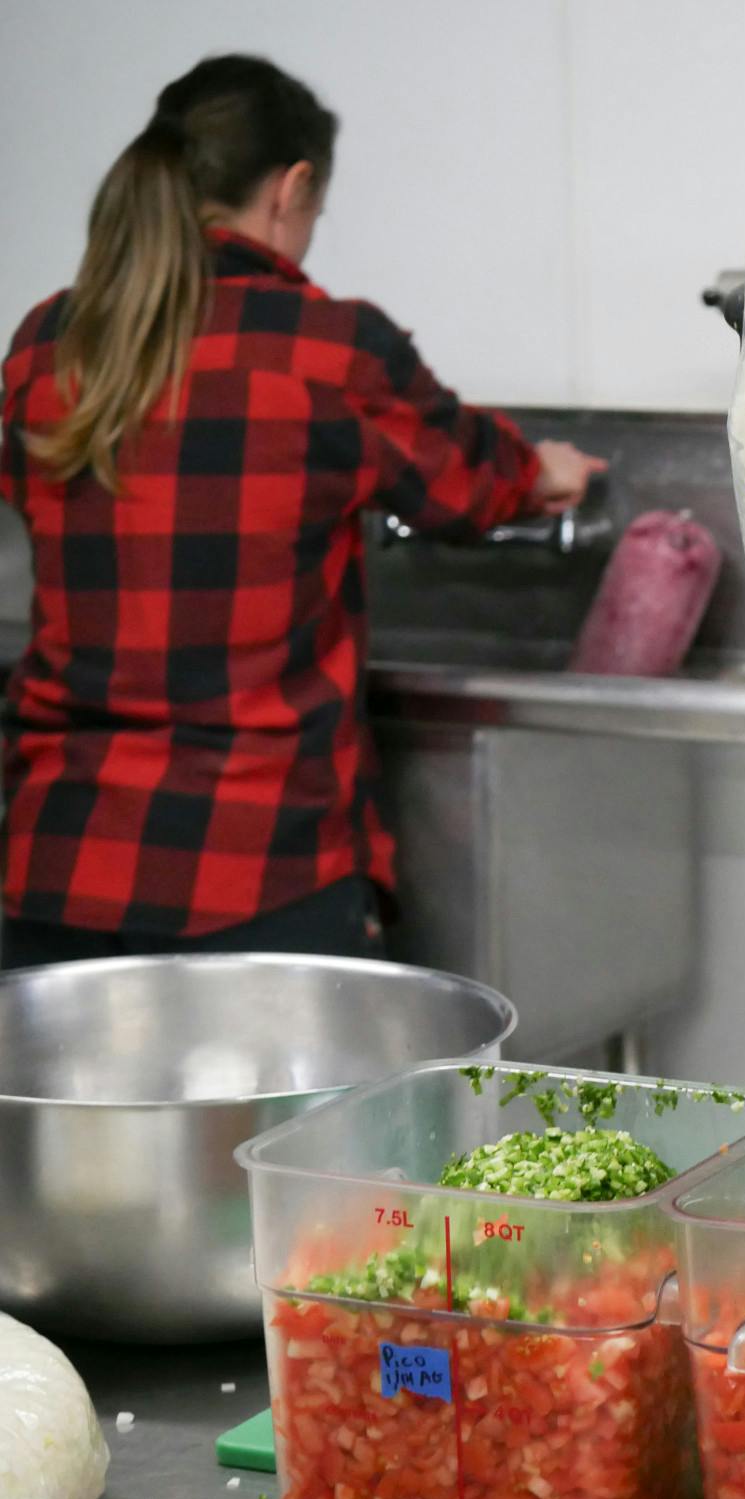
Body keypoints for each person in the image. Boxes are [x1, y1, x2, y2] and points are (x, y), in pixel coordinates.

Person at [0, 55, 601, 967]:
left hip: (56, 865)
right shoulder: (329, 351)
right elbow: (463, 481)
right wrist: (541, 469)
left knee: (73, 1119)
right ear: (292, 189)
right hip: (257, 873)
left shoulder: (49, 343)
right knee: (286, 1122)